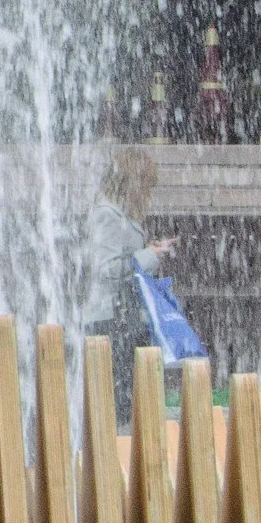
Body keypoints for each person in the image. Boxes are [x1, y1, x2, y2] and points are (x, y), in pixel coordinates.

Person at [84, 149, 177, 427]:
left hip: (122, 318)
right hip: (110, 320)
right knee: (118, 400)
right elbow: (106, 268)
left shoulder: (118, 214)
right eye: (147, 185)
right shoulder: (107, 215)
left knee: (127, 397)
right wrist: (148, 255)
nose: (148, 194)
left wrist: (151, 252)